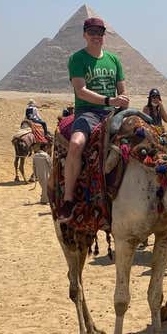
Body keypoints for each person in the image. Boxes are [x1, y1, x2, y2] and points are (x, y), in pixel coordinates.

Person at [57, 17, 130, 222]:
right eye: (92, 32)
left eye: (100, 32)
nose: (96, 36)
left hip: (112, 113)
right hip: (88, 112)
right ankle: (68, 199)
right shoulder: (77, 59)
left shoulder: (114, 60)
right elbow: (81, 91)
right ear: (84, 34)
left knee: (143, 141)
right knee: (76, 143)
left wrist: (122, 99)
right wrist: (109, 99)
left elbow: (122, 89)